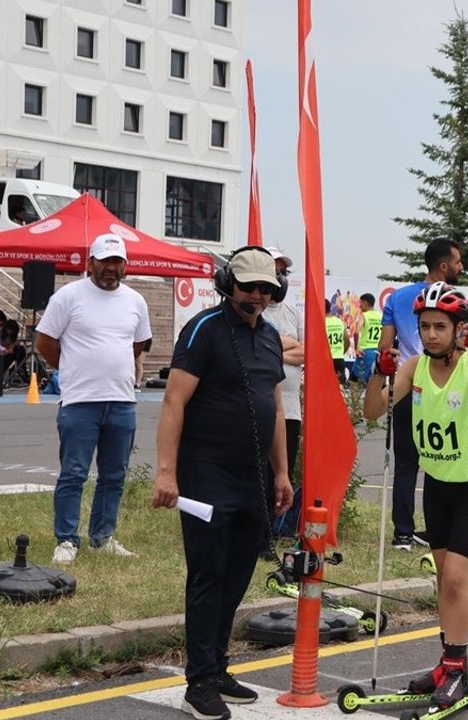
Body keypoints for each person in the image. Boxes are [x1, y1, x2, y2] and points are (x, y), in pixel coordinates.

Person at [151, 246, 293, 720]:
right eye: (249, 286)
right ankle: (199, 681)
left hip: (253, 475)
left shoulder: (272, 337)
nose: (257, 294)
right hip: (205, 473)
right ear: (227, 283)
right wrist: (167, 471)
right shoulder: (203, 331)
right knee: (208, 575)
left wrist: (282, 472)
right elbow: (173, 401)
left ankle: (217, 666)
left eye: (266, 288)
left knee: (237, 576)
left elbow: (273, 408)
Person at [364, 282, 468, 712]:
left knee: (455, 579)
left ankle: (457, 670)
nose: (431, 334)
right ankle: (447, 662)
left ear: (459, 329)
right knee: (443, 582)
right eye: (425, 326)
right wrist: (380, 369)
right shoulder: (412, 367)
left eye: (440, 327)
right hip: (435, 485)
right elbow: (373, 412)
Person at [36, 234, 152, 565]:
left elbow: (139, 344)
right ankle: (67, 539)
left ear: (125, 266)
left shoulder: (135, 301)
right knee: (73, 473)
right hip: (80, 401)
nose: (111, 269)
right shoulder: (68, 297)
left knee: (114, 475)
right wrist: (70, 366)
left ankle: (102, 537)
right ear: (91, 263)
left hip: (121, 400)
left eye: (117, 262)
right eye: (105, 261)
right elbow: (44, 341)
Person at [378, 238, 464, 549]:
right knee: (443, 458)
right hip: (439, 387)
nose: (461, 267)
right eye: (457, 262)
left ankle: (403, 532)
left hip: (406, 386)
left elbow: (385, 348)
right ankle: (438, 528)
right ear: (443, 266)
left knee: (406, 463)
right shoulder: (454, 298)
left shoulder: (398, 297)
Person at [262, 247, 304, 538]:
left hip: (290, 409)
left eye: (282, 271)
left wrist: (275, 347)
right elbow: (258, 352)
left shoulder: (293, 312)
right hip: (260, 407)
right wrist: (282, 346)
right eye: (273, 270)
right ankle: (257, 530)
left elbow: (307, 352)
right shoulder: (251, 310)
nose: (279, 277)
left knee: (282, 472)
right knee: (260, 472)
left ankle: (275, 528)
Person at [354, 293, 382, 383]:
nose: (359, 306)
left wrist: (356, 347)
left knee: (356, 381)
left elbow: (356, 331)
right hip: (378, 353)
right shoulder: (381, 316)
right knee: (374, 381)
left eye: (360, 303)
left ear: (365, 303)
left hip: (365, 352)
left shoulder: (364, 316)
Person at [325, 299, 348, 385]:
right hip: (339, 359)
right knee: (340, 388)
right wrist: (341, 353)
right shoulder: (339, 321)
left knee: (325, 388)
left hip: (326, 360)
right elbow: (347, 340)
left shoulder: (320, 323)